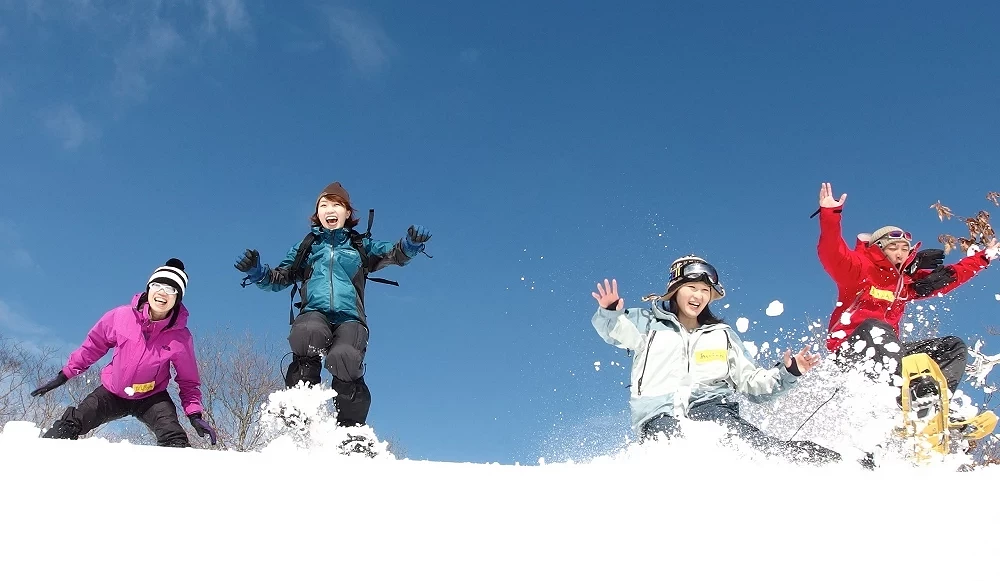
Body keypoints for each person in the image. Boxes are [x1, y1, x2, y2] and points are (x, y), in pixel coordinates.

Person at [591, 255, 842, 465]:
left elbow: (752, 383)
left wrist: (789, 372)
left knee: (763, 450)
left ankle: (838, 466)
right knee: (671, 453)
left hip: (713, 409)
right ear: (675, 291)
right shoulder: (647, 325)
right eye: (692, 288)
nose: (698, 296)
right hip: (659, 416)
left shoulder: (722, 335)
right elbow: (615, 331)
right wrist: (610, 312)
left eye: (705, 291)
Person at [234, 181, 431, 427]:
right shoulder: (307, 247)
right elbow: (279, 277)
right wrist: (257, 272)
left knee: (344, 356)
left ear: (347, 213)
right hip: (314, 312)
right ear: (317, 214)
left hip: (350, 318)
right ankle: (299, 404)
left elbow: (393, 254)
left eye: (337, 204)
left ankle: (351, 430)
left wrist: (410, 246)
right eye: (324, 205)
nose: (330, 209)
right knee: (308, 332)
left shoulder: (361, 245)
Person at [815, 182, 996, 407]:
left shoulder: (907, 283)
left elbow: (950, 277)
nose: (900, 253)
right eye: (893, 247)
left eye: (904, 248)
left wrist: (982, 258)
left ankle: (936, 403)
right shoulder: (859, 268)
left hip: (889, 356)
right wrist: (830, 215)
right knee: (875, 327)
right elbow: (832, 251)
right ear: (878, 247)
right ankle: (912, 395)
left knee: (952, 346)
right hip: (850, 348)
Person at [31, 259, 216, 447]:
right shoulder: (121, 316)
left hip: (152, 398)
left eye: (171, 289)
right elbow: (93, 346)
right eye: (157, 285)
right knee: (69, 426)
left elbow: (188, 380)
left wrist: (194, 414)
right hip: (112, 392)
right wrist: (65, 374)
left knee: (175, 441)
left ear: (177, 298)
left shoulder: (181, 338)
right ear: (148, 289)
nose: (162, 292)